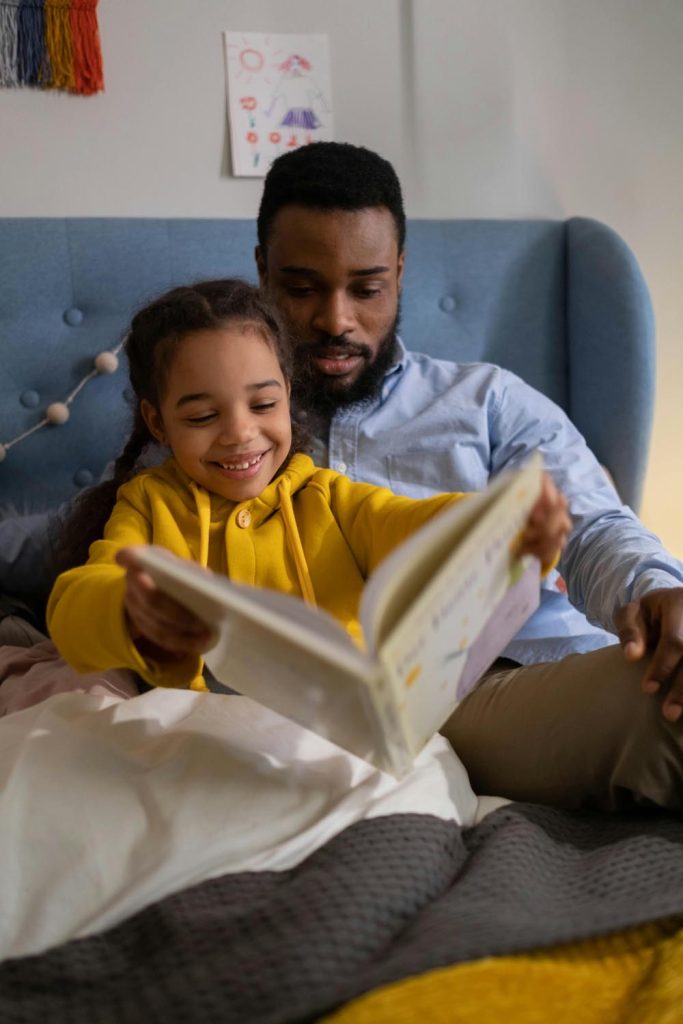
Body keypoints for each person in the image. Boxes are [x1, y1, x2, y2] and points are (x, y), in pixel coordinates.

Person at [251, 141, 683, 810]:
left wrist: (654, 589)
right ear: (263, 274)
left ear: (398, 272)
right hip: (337, 713)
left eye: (366, 289)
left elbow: (591, 522)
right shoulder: (216, 424)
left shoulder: (486, 401)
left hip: (515, 683)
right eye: (301, 288)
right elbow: (87, 533)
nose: (335, 320)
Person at [46, 278, 567, 695]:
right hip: (204, 741)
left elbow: (412, 524)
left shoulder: (328, 496)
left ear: (289, 396)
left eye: (264, 405)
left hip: (337, 740)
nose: (240, 434)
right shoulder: (148, 504)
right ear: (158, 424)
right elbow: (75, 604)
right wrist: (129, 611)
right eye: (203, 415)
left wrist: (501, 523)